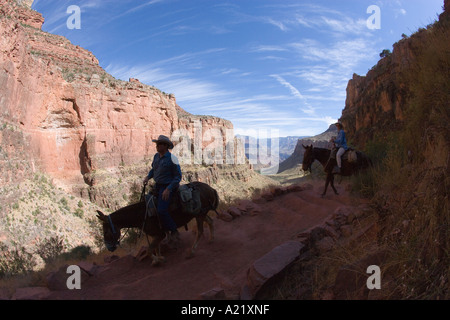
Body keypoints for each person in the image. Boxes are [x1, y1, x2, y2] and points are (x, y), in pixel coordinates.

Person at [143, 135, 182, 246]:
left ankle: (174, 230)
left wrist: (168, 189)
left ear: (165, 146)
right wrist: (148, 177)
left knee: (161, 210)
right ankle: (160, 230)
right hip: (157, 186)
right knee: (147, 204)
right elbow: (153, 170)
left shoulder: (172, 159)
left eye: (160, 144)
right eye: (157, 144)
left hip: (168, 187)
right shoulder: (156, 157)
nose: (157, 146)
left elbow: (178, 177)